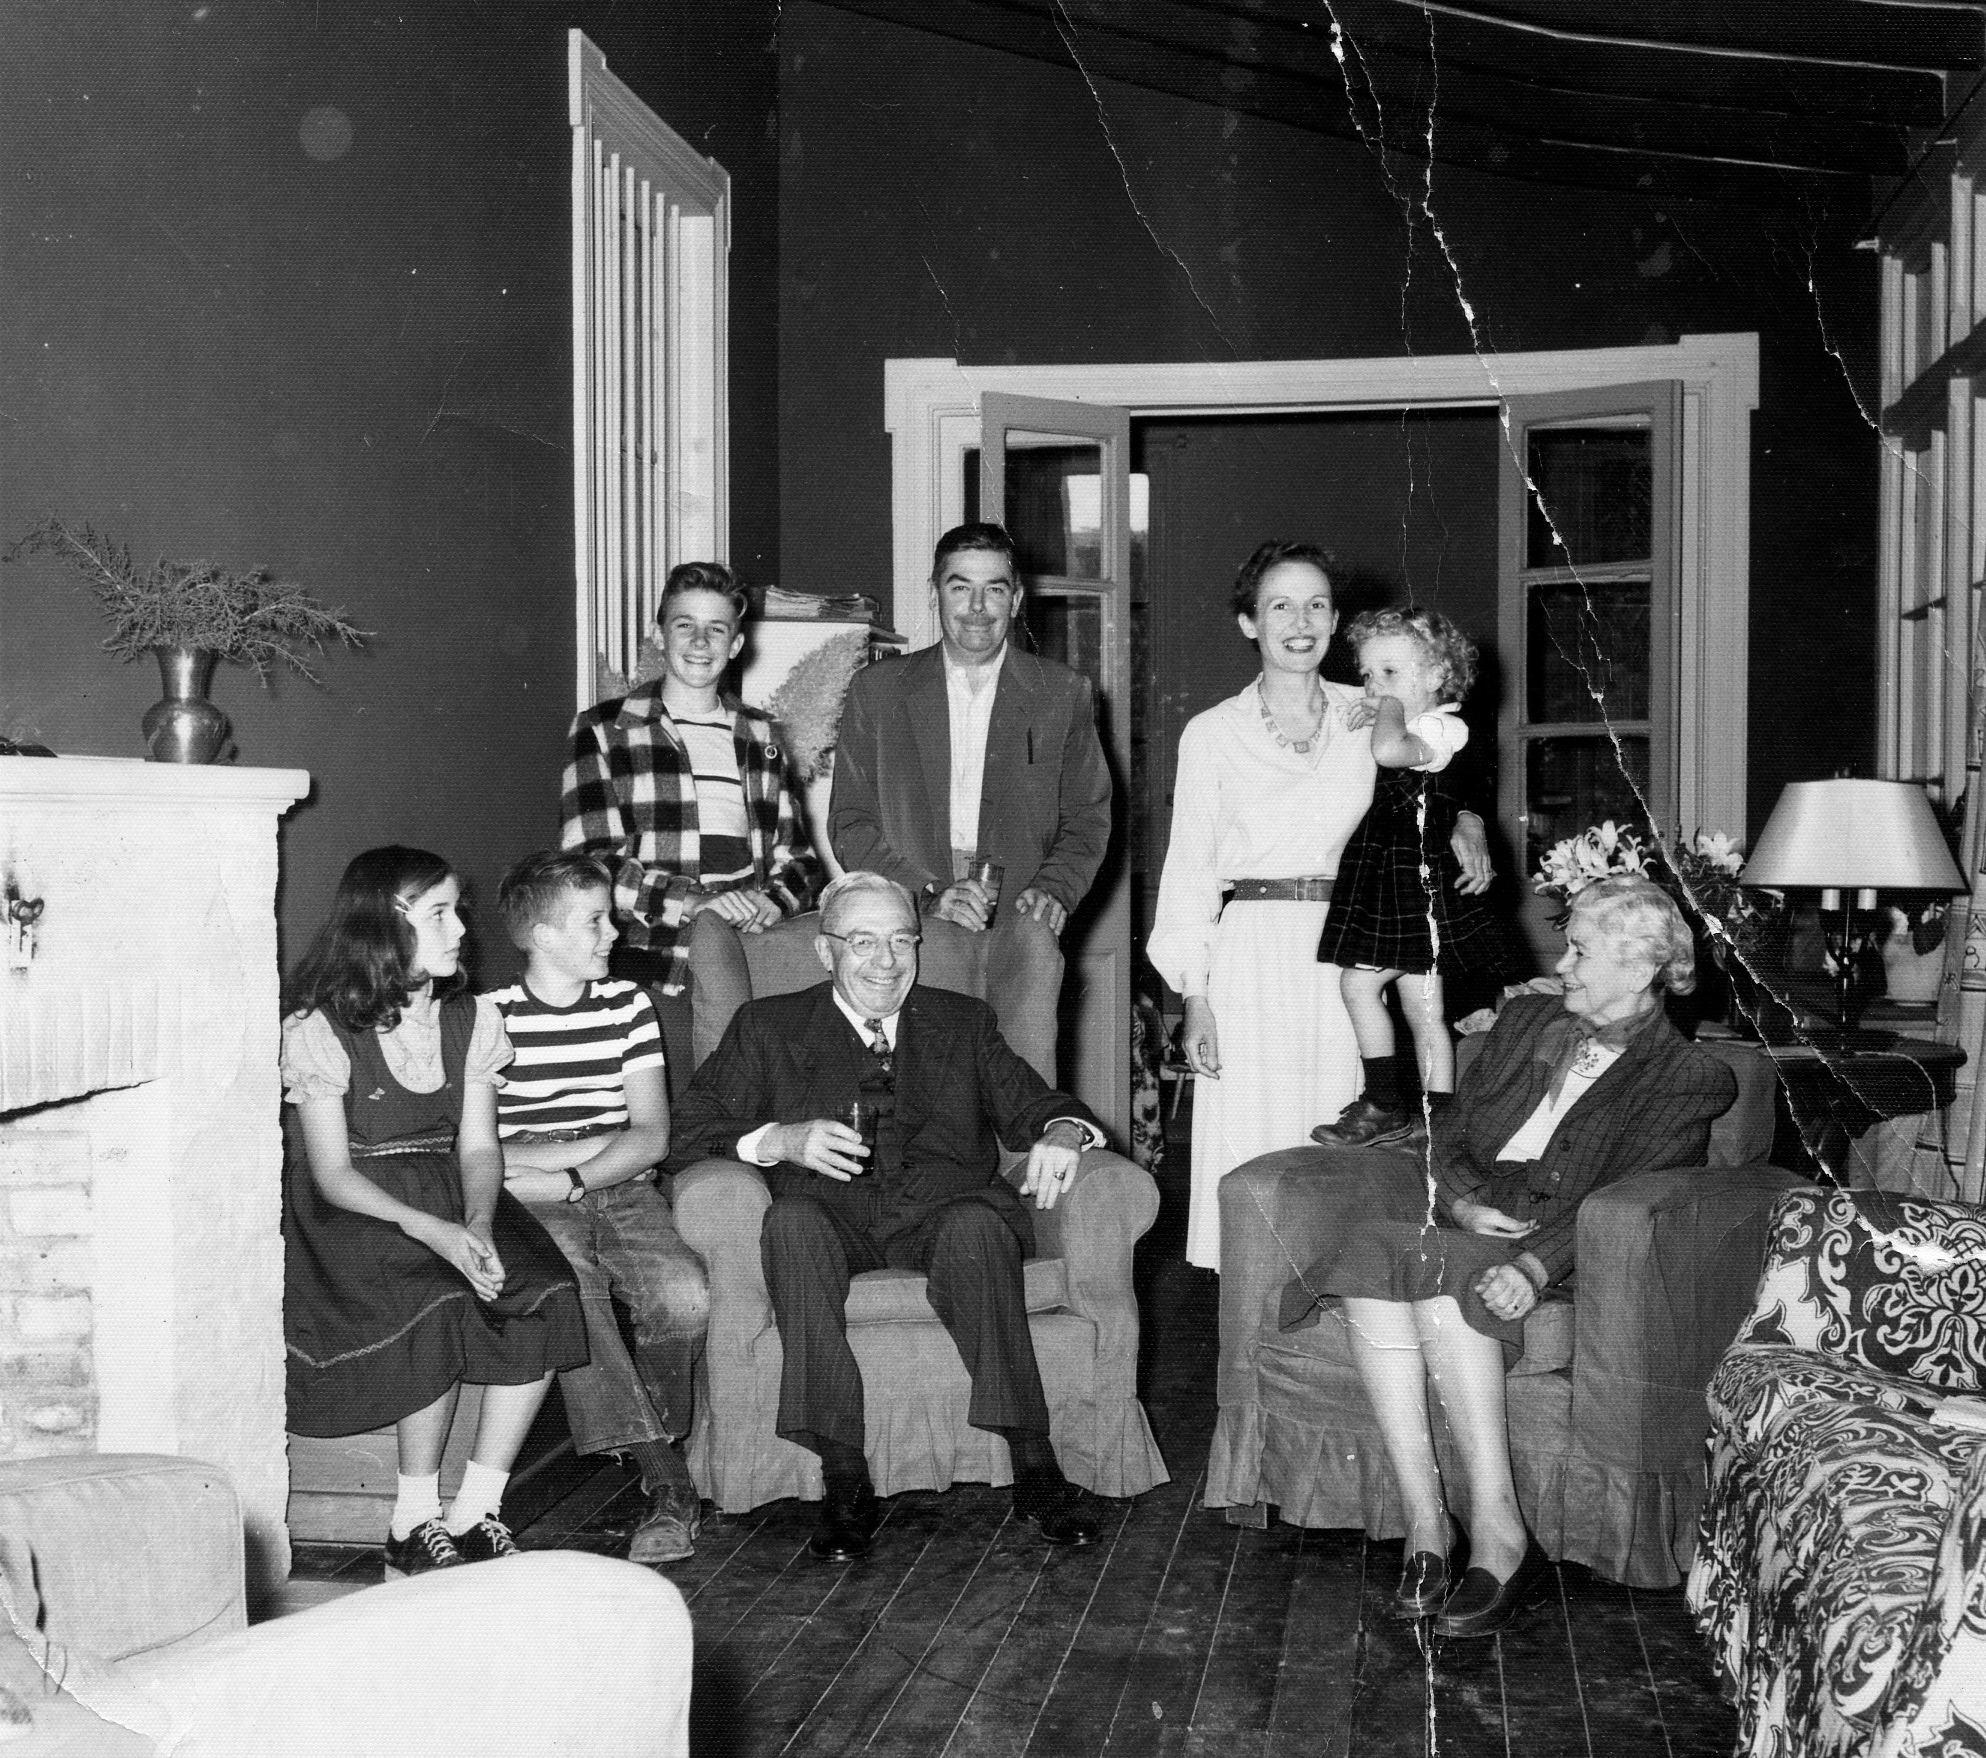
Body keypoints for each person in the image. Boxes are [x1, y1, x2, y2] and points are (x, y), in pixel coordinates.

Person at [1271, 876, 1737, 1636]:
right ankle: (1427, 1525)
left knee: (1445, 1273)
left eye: (1583, 951)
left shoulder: (1687, 1076)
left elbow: (1628, 1193)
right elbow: (1445, 1135)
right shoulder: (1526, 1021)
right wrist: (1460, 1204)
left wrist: (1530, 1266)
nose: (1566, 964)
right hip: (1465, 1218)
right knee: (1373, 1253)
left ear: (1643, 966)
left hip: (1560, 1246)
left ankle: (1499, 1532)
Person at [668, 869, 1106, 1561]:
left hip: (944, 1215)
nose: (887, 961)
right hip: (830, 1219)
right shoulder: (769, 1027)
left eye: (902, 940)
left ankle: (1035, 1465)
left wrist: (1063, 1133)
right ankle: (845, 1474)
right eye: (863, 942)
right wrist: (778, 1138)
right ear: (825, 952)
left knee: (979, 1225)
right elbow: (687, 1130)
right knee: (789, 1223)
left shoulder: (963, 1022)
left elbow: (1036, 1102)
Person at [1147, 542, 1492, 1271]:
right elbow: (1189, 869)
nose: (1300, 622)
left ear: (1336, 620)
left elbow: (1428, 777)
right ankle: (1247, 1357)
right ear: (1249, 623)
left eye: (1316, 605)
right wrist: (1195, 996)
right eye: (1280, 606)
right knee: (1251, 1149)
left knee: (1342, 1147)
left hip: (1355, 938)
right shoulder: (1212, 732)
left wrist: (1468, 819)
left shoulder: (1377, 708)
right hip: (1253, 953)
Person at [280, 846, 589, 1579]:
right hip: (360, 1209)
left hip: (451, 1191)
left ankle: (477, 1511)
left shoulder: (469, 1017)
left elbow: (479, 1149)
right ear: (381, 927)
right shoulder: (318, 1028)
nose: (461, 930)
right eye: (440, 914)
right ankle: (411, 1521)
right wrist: (437, 1233)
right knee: (440, 1298)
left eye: (458, 911)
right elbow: (331, 1174)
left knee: (544, 1289)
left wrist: (478, 1223)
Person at [828, 521, 1111, 1084]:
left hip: (1019, 931)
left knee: (1020, 1088)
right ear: (935, 593)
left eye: (995, 589)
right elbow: (851, 822)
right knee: (920, 1086)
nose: (977, 607)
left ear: (1017, 597)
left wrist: (1054, 888)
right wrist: (927, 892)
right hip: (913, 918)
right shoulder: (877, 690)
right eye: (960, 587)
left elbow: (1088, 817)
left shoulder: (1063, 692)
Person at [487, 850, 710, 1565]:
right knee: (571, 1289)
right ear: (543, 936)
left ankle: (654, 1443)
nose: (612, 932)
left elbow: (650, 1135)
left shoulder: (628, 1006)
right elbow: (478, 1150)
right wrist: (574, 1156)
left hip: (618, 1183)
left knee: (684, 1299)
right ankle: (668, 1484)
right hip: (534, 1196)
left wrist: (571, 1171)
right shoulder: (489, 1019)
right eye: (594, 920)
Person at [561, 559, 819, 1084]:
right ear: (660, 634)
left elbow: (802, 861)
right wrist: (698, 904)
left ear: (736, 645)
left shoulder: (762, 734)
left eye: (716, 629)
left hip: (751, 959)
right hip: (654, 965)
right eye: (685, 625)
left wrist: (772, 903)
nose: (700, 642)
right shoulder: (604, 729)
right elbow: (591, 865)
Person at [1312, 606, 1509, 1147]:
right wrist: (1380, 703)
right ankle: (1439, 1116)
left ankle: (1384, 1100)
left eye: (1391, 674)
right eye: (1369, 675)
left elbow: (1388, 749)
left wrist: (1385, 709)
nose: (1375, 686)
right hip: (1398, 881)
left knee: (1358, 983)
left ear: (1437, 678)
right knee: (1424, 1008)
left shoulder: (1442, 726)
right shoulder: (1419, 717)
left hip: (1413, 885)